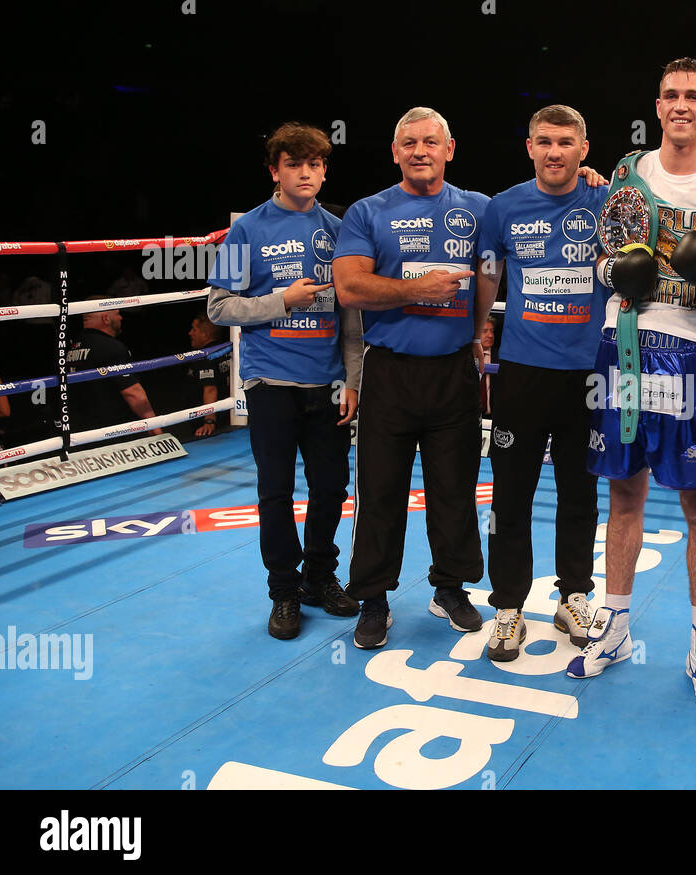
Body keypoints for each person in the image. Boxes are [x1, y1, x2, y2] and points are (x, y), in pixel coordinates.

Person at [570, 57, 696, 706]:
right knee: (623, 495)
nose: (681, 105)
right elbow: (602, 259)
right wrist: (613, 277)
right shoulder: (627, 174)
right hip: (621, 347)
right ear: (657, 106)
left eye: (694, 96)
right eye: (671, 95)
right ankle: (615, 623)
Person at [332, 107, 489, 650]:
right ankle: (373, 600)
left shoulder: (478, 209)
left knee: (455, 489)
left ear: (450, 148)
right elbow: (350, 288)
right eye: (408, 143)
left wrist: (590, 177)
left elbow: (535, 219)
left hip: (453, 371)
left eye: (430, 142)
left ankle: (450, 587)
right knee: (379, 490)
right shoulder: (366, 212)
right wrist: (416, 289)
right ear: (395, 152)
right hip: (390, 371)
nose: (420, 151)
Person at [207, 122, 362, 640]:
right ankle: (283, 590)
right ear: (275, 170)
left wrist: (353, 379)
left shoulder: (342, 230)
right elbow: (218, 307)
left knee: (331, 487)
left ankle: (319, 577)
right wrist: (281, 302)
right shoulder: (242, 230)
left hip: (327, 383)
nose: (305, 172)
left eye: (314, 164)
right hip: (270, 383)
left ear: (324, 169)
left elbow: (351, 317)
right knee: (275, 491)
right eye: (293, 163)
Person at [475, 104, 609, 663]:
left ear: (583, 149)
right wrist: (477, 331)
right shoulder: (501, 207)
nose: (554, 152)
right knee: (511, 494)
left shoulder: (607, 200)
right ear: (529, 147)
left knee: (581, 492)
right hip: (522, 373)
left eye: (566, 142)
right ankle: (507, 606)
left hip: (589, 372)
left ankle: (574, 595)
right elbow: (488, 274)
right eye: (544, 142)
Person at [66, 297, 161, 435]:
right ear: (106, 318)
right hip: (114, 431)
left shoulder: (70, 348)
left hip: (80, 432)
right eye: (117, 313)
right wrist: (155, 427)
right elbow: (132, 392)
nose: (121, 318)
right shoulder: (110, 347)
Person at [185, 311, 231, 438]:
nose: (190, 333)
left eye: (194, 330)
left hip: (208, 422)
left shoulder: (204, 356)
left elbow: (210, 388)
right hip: (227, 415)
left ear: (205, 334)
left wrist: (209, 420)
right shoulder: (226, 349)